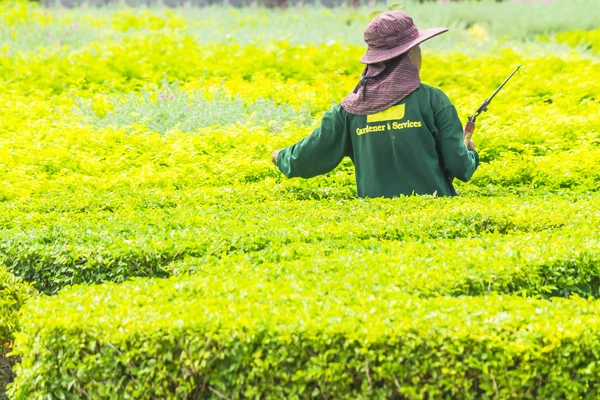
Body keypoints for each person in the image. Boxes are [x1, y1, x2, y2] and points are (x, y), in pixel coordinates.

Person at [271, 11, 479, 198]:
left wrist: (281, 156)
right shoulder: (435, 101)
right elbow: (459, 166)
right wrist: (469, 152)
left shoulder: (348, 110)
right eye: (417, 47)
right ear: (408, 54)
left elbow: (307, 157)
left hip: (376, 225)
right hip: (435, 220)